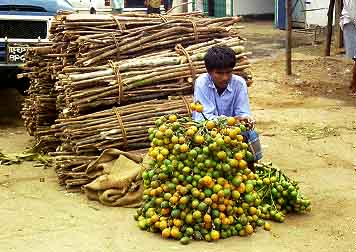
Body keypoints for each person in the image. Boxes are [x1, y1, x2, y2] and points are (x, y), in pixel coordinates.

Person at [192, 45, 262, 162]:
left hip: (233, 130)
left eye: (228, 72)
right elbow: (202, 118)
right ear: (209, 72)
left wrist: (245, 119)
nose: (225, 77)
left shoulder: (239, 83)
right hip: (207, 130)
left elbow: (243, 111)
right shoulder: (201, 83)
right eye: (219, 73)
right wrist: (230, 121)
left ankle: (251, 169)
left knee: (251, 134)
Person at [341, 0, 356, 95]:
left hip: (350, 21)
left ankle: (354, 82)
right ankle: (354, 83)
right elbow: (352, 11)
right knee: (355, 56)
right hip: (350, 22)